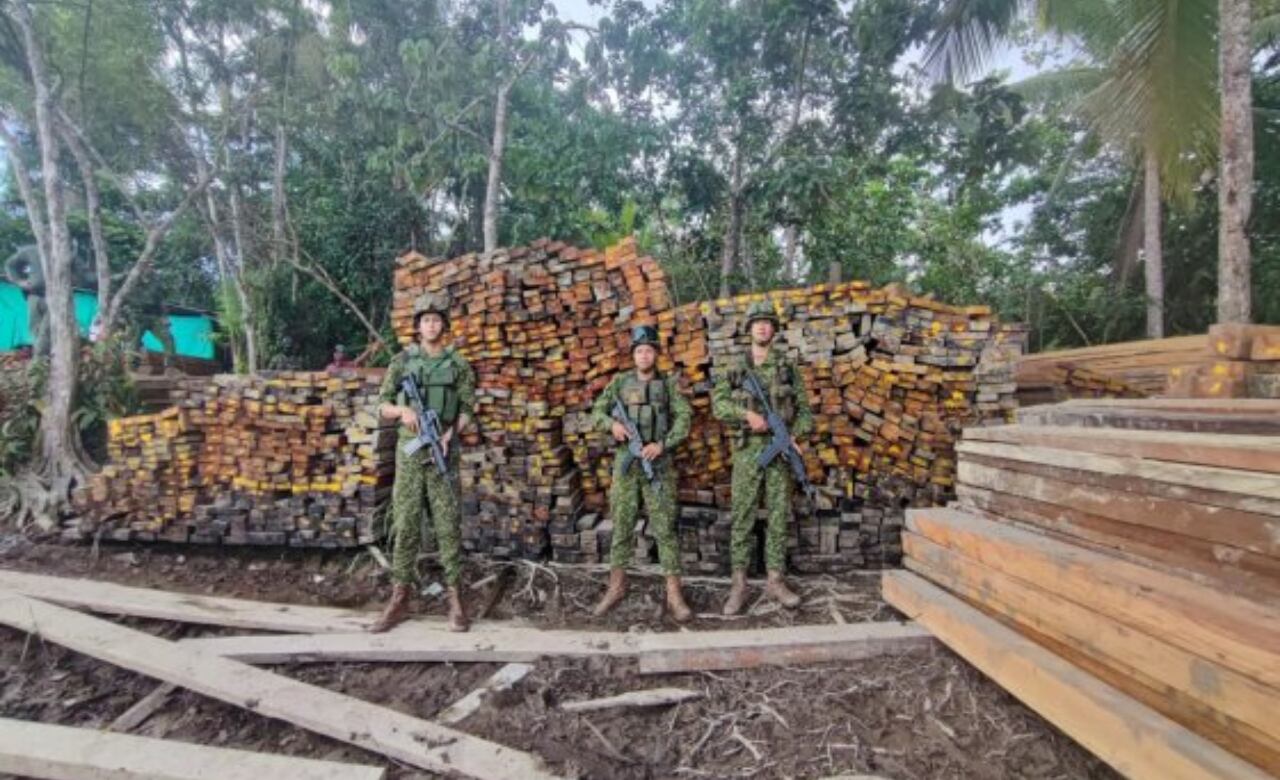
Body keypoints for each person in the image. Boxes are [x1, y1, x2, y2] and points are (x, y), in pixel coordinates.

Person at [369, 292, 476, 633]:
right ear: (418, 327)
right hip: (411, 453)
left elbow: (469, 409)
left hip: (444, 450)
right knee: (406, 523)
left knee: (448, 525)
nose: (431, 325)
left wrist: (449, 435)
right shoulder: (402, 362)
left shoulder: (458, 364)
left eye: (436, 320)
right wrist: (402, 410)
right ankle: (399, 597)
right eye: (425, 320)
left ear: (443, 325)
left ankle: (456, 599)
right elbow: (382, 404)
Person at [711, 300, 813, 615]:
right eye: (758, 322)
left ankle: (775, 580)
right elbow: (719, 404)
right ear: (749, 328)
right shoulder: (736, 365)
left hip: (779, 451)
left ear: (774, 329)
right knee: (742, 516)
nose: (763, 326)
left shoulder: (786, 365)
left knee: (779, 516)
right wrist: (746, 415)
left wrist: (795, 435)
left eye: (768, 322)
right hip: (747, 452)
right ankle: (739, 584)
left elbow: (805, 409)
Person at [588, 325, 694, 622]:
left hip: (658, 464)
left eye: (649, 350)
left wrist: (663, 444)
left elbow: (685, 418)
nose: (644, 355)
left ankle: (674, 593)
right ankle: (616, 586)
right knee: (621, 525)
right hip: (627, 463)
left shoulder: (668, 385)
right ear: (633, 355)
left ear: (656, 354)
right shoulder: (620, 383)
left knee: (665, 528)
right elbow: (597, 411)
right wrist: (613, 426)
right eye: (639, 350)